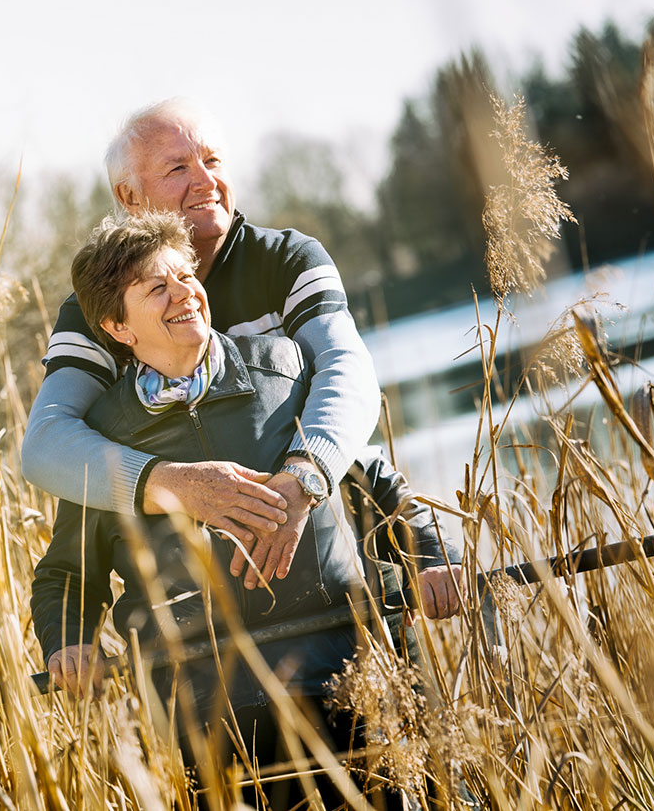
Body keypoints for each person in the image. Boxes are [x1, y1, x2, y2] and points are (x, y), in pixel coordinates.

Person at [29, 212, 463, 809]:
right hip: (212, 718)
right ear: (116, 326)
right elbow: (66, 573)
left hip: (348, 677)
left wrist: (434, 559)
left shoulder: (282, 369)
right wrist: (69, 642)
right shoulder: (102, 439)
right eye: (158, 287)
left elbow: (376, 483)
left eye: (186, 275)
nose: (185, 293)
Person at [23, 98, 379, 586]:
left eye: (212, 161)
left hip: (337, 550)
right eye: (177, 168)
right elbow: (45, 444)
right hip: (199, 601)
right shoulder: (98, 310)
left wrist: (305, 475)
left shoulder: (288, 260)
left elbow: (348, 374)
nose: (206, 181)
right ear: (128, 197)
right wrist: (172, 485)